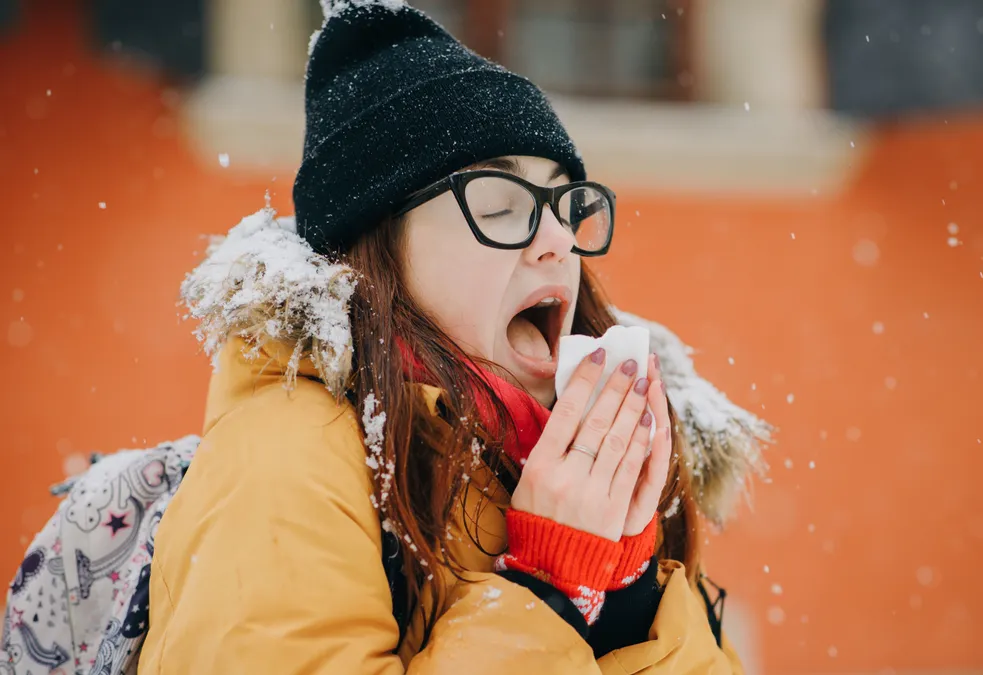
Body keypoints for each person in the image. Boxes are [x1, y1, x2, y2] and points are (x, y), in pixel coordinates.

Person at [139, 3, 768, 672]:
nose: (559, 242)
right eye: (501, 206)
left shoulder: (587, 470)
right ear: (376, 259)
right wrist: (547, 587)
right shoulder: (284, 463)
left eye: (565, 206)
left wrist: (624, 597)